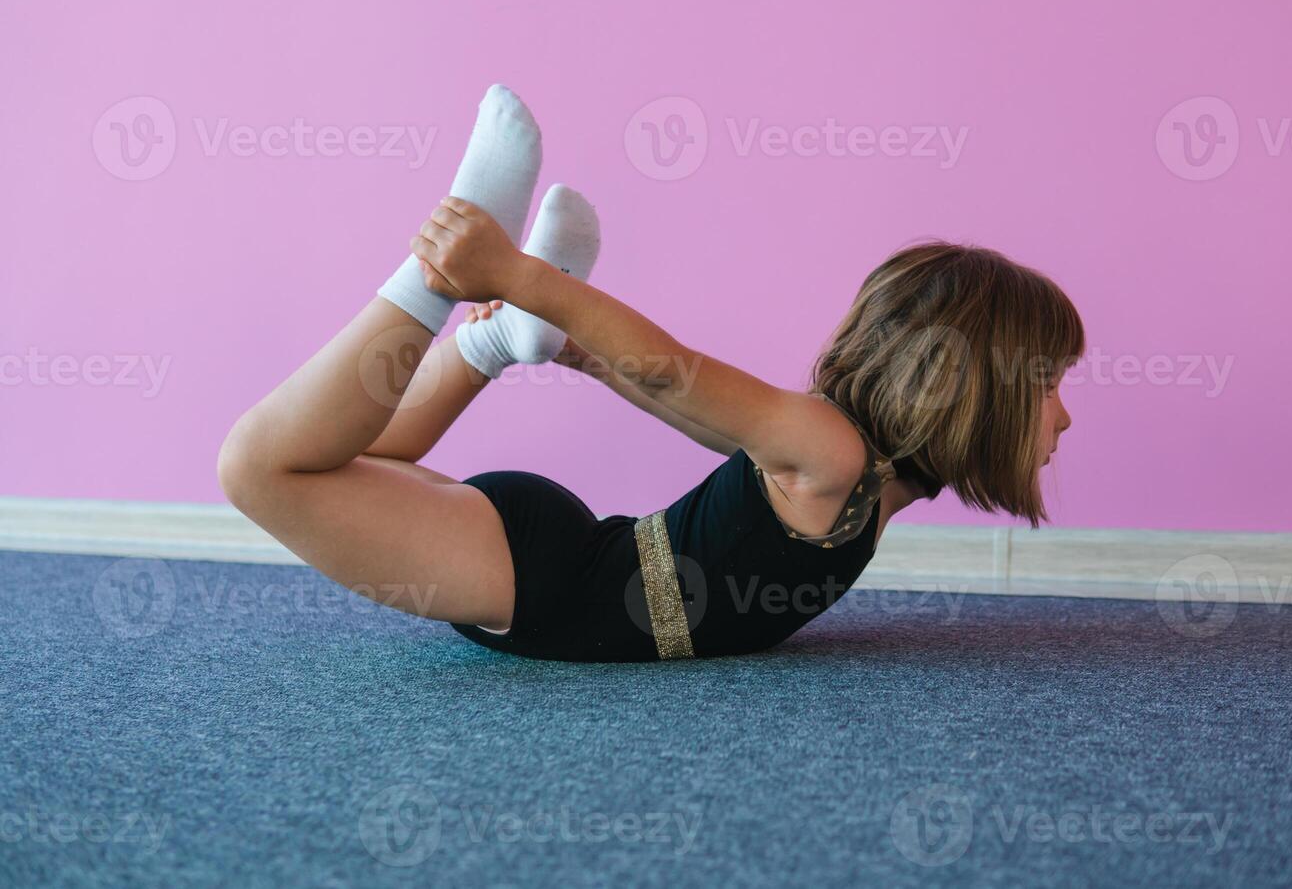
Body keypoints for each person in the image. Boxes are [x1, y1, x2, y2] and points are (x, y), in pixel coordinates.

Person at [217, 85, 1083, 662]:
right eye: (1050, 385)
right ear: (975, 392)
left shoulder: (852, 471)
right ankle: (437, 275)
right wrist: (519, 277)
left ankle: (495, 343)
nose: (1065, 418)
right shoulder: (833, 453)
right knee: (260, 468)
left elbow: (709, 425)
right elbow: (679, 377)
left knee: (365, 463)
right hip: (542, 579)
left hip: (558, 560)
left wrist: (576, 351)